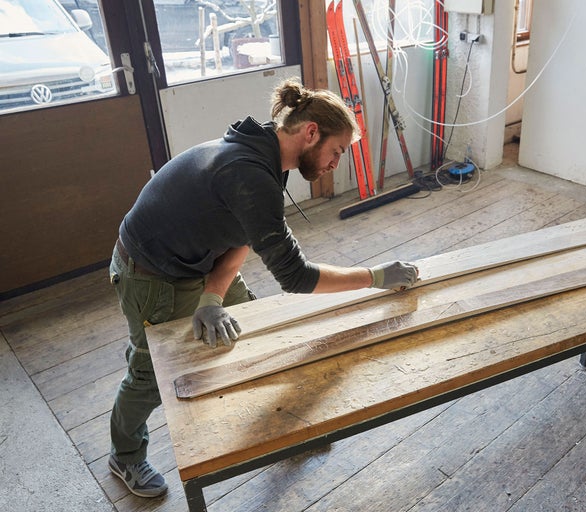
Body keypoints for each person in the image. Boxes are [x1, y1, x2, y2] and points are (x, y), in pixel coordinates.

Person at [107, 77, 419, 498]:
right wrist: (376, 277)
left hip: (199, 259)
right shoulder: (249, 173)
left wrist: (212, 297)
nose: (335, 163)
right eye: (337, 151)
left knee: (254, 331)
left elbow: (242, 235)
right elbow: (296, 277)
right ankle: (125, 456)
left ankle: (280, 428)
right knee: (149, 375)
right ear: (311, 132)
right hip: (150, 273)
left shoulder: (266, 154)